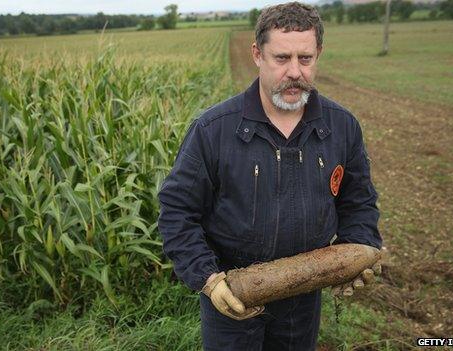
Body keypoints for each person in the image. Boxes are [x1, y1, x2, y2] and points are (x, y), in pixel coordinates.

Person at [157, 2, 382, 350]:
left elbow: (359, 201)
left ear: (318, 53)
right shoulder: (213, 130)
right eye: (281, 58)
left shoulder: (342, 126)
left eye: (305, 59)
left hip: (305, 294)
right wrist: (208, 279)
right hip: (233, 293)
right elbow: (176, 211)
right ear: (257, 55)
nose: (295, 71)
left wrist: (357, 245)